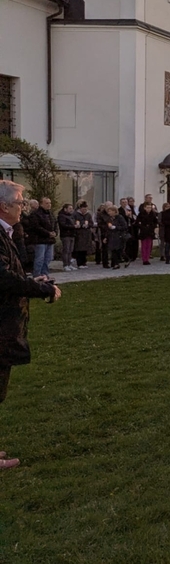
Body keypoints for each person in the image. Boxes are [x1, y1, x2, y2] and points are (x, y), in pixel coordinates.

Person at [0, 181, 61, 471]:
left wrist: (31, 282)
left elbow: (10, 274)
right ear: (4, 206)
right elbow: (3, 279)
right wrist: (42, 290)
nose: (23, 208)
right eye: (20, 202)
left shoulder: (6, 233)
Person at [25, 197, 56, 278]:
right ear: (41, 204)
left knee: (48, 258)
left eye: (50, 203)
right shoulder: (36, 214)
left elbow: (55, 224)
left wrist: (55, 232)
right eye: (47, 203)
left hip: (50, 240)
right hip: (40, 240)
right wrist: (48, 233)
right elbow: (36, 227)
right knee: (40, 259)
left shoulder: (50, 214)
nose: (49, 205)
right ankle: (37, 275)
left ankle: (45, 274)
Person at [72, 201, 94, 269]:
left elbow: (91, 223)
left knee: (85, 249)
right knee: (79, 249)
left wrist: (88, 225)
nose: (84, 210)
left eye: (86, 209)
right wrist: (80, 225)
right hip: (79, 233)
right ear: (80, 208)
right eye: (83, 209)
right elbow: (74, 222)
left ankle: (84, 262)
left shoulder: (88, 215)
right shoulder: (76, 214)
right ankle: (79, 263)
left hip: (86, 233)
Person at [57, 203, 76, 272]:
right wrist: (73, 226)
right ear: (65, 209)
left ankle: (69, 263)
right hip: (65, 235)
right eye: (70, 208)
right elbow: (63, 225)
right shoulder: (62, 216)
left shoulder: (71, 216)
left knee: (70, 250)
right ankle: (65, 265)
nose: (71, 210)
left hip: (72, 234)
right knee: (66, 250)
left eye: (72, 208)